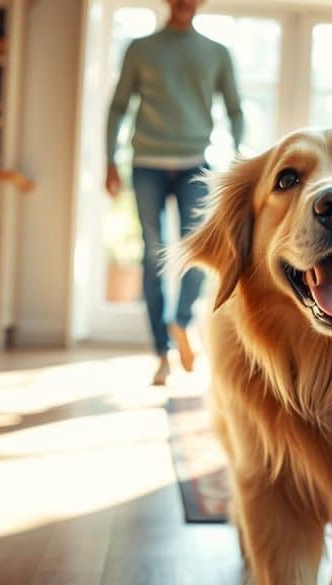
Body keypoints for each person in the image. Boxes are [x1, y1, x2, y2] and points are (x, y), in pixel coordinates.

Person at [105, 0, 243, 385]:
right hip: (146, 163)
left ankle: (180, 323)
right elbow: (118, 107)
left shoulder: (217, 53)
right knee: (152, 255)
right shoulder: (141, 49)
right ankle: (160, 353)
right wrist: (108, 160)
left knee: (199, 251)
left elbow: (235, 110)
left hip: (194, 164)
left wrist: (237, 158)